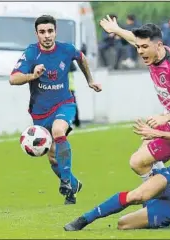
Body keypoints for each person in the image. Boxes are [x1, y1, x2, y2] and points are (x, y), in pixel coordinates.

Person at [99, 16, 170, 183]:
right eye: (138, 47)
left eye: (144, 47)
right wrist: (117, 29)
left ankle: (161, 196)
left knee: (137, 162)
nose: (140, 51)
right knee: (147, 157)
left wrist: (164, 118)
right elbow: (135, 39)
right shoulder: (153, 52)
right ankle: (166, 189)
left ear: (159, 46)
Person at [9, 15, 102, 204]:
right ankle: (72, 187)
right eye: (42, 32)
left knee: (59, 130)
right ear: (36, 34)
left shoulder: (66, 49)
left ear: (55, 31)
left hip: (64, 104)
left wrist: (90, 80)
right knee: (52, 157)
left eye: (50, 31)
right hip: (40, 111)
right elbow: (13, 79)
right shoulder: (31, 53)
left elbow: (81, 58)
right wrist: (32, 75)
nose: (47, 35)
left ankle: (66, 181)